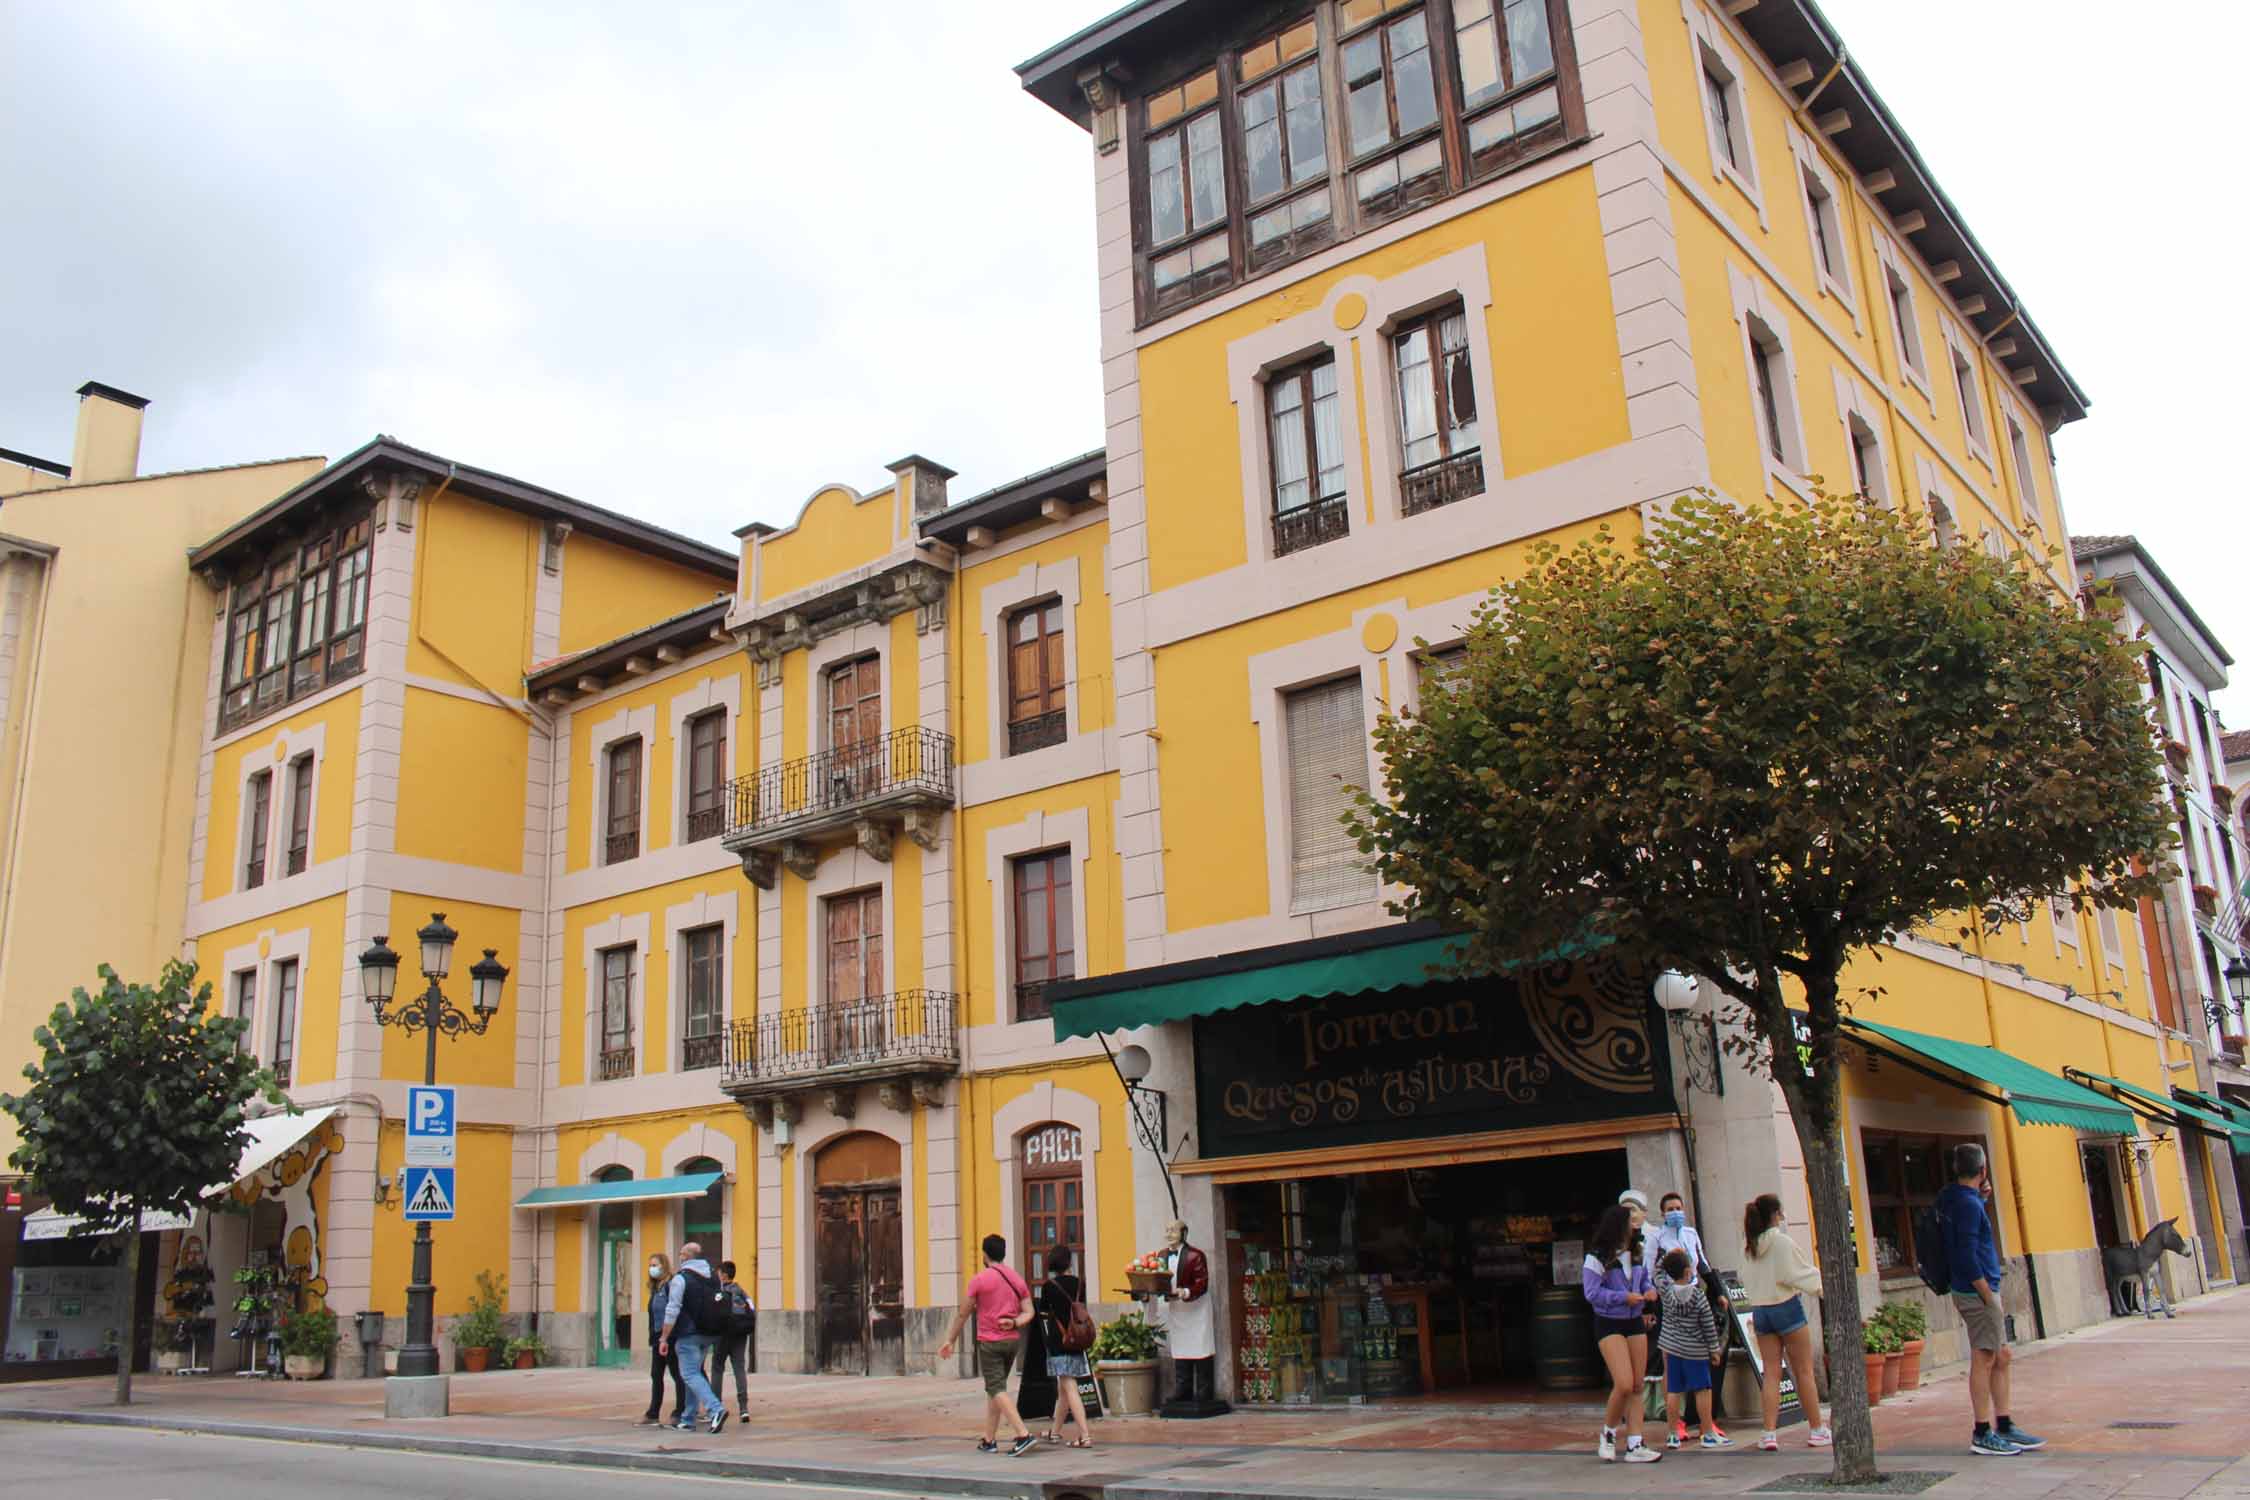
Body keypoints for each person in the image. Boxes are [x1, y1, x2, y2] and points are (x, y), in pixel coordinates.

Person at [1941, 1143, 2044, 1456]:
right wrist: (1987, 1294)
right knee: (1984, 1357)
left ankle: (2005, 1423)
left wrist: (1981, 1198)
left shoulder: (1957, 1198)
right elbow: (1966, 1254)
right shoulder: (1968, 1205)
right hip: (1977, 1292)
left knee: (2001, 1356)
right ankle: (1983, 1430)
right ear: (1983, 1170)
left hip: (1976, 1289)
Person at [937, 1233, 1038, 1457]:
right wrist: (1014, 1322)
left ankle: (1023, 1435)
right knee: (995, 1388)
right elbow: (1029, 1312)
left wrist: (950, 1340)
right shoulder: (1016, 1278)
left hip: (991, 1343)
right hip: (1012, 1341)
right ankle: (989, 1439)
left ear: (984, 1254)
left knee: (996, 1388)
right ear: (1003, 1253)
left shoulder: (980, 1280)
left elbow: (963, 1313)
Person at [1741, 1195, 1829, 1452]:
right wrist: (1823, 1289)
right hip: (1786, 1306)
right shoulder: (1782, 1242)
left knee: (1771, 1373)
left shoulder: (1748, 1245)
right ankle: (1816, 1429)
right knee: (1803, 1371)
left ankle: (1768, 1433)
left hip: (1760, 1310)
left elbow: (1743, 1275)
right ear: (1775, 1214)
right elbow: (1800, 1273)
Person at [1644, 1190, 1731, 1445]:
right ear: (1662, 1213)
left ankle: (1704, 1422)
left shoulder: (1691, 1234)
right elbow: (1650, 1271)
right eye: (1669, 1209)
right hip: (1669, 1304)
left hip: (1687, 1295)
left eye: (1677, 1208)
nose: (1674, 1213)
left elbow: (1703, 1264)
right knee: (1674, 1368)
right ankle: (1680, 1424)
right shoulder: (1656, 1238)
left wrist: (1718, 1292)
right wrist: (1650, 1306)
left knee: (1683, 1377)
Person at [1582, 1202, 1660, 1463]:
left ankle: (1636, 1444)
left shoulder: (1637, 1252)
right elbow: (1591, 1293)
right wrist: (1621, 1297)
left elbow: (1646, 1279)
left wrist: (1649, 1291)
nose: (1636, 1225)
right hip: (1608, 1321)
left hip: (1635, 1320)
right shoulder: (1597, 1256)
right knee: (1624, 1383)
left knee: (1638, 1384)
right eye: (1631, 1221)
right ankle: (1609, 1433)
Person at [1656, 1248, 1732, 1449]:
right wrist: (1714, 1350)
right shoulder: (1698, 1297)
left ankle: (1672, 1433)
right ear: (1689, 1272)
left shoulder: (1666, 1291)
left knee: (1673, 1391)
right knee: (1702, 1390)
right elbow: (1708, 1326)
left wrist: (1665, 1257)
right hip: (1695, 1351)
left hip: (1672, 1349)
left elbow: (1656, 1273)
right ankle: (1707, 1431)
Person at [657, 1240, 728, 1434]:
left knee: (688, 1374)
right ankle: (687, 1418)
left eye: (681, 1254)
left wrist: (664, 1337)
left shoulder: (681, 1279)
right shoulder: (714, 1277)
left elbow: (672, 1309)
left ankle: (716, 1409)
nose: (679, 1257)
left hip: (688, 1333)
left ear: (686, 1257)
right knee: (693, 1373)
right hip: (708, 1333)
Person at [1039, 1245, 1094, 1448]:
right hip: (1077, 1339)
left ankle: (1085, 1435)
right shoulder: (1080, 1284)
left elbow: (1044, 1311)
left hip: (1059, 1342)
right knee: (1064, 1389)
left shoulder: (1049, 1286)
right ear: (1069, 1262)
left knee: (1069, 1387)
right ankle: (1055, 1432)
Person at [637, 1252, 687, 1427]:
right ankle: (653, 1412)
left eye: (655, 1265)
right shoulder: (656, 1288)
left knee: (676, 1374)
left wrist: (667, 1336)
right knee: (656, 1374)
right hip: (658, 1336)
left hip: (670, 1336)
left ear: (664, 1266)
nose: (652, 1268)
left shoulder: (671, 1285)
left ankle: (680, 1411)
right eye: (650, 1265)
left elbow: (673, 1310)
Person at [706, 1258, 754, 1424]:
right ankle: (744, 1409)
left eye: (718, 1273)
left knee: (717, 1368)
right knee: (739, 1368)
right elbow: (752, 1311)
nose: (717, 1276)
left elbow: (712, 1314)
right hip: (741, 1334)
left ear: (724, 1275)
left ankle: (716, 1408)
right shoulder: (742, 1292)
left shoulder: (720, 1294)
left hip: (722, 1335)